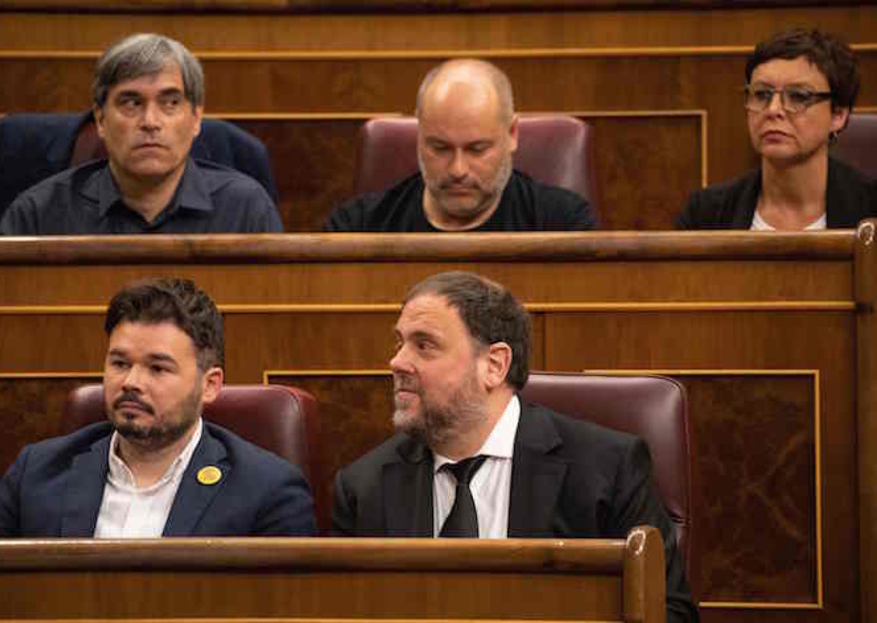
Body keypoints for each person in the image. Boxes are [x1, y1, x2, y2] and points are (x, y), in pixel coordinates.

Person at [332, 271, 697, 623]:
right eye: (400, 342)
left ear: (494, 365)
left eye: (424, 345)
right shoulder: (364, 488)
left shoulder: (606, 468)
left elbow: (668, 612)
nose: (397, 362)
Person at [0, 277, 314, 537]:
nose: (131, 382)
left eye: (157, 368)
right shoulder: (36, 474)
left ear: (209, 385)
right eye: (119, 363)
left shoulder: (267, 491)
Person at [0, 34, 282, 235]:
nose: (150, 122)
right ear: (100, 119)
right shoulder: (38, 215)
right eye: (131, 103)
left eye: (170, 103)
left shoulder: (246, 210)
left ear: (196, 119)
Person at [324, 59, 596, 232]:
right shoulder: (356, 227)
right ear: (419, 137)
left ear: (512, 134)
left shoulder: (565, 224)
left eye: (477, 149)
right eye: (440, 148)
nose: (458, 170)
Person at [678, 28, 876, 230]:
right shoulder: (705, 214)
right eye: (762, 94)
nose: (773, 110)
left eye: (799, 96)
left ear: (838, 115)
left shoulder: (870, 208)